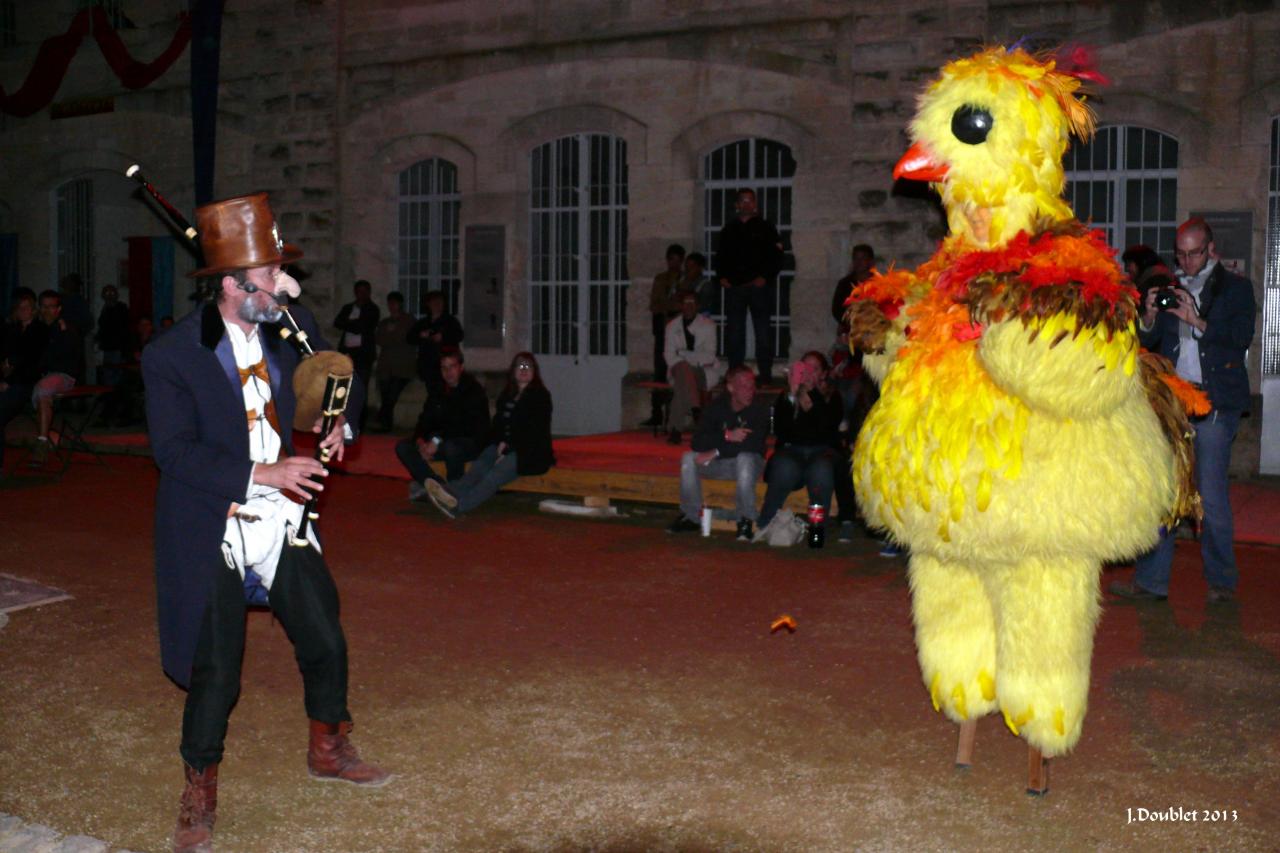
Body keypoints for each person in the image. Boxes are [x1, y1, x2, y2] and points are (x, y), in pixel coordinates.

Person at [141, 193, 388, 853]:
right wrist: (264, 472)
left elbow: (338, 377)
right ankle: (199, 790)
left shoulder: (289, 325)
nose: (283, 286)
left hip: (281, 517)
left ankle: (328, 748)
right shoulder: (172, 354)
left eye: (280, 272)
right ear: (231, 285)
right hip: (214, 518)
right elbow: (174, 452)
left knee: (325, 635)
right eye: (269, 276)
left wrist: (337, 422)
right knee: (217, 666)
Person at [1111, 218, 1257, 604]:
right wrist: (1148, 317)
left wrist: (1197, 321)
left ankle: (1222, 583)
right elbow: (1149, 341)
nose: (1187, 261)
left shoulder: (1235, 288)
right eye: (1181, 254)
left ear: (1211, 249)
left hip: (1216, 401)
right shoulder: (1169, 288)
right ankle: (1151, 581)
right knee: (1165, 492)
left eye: (1194, 254)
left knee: (1210, 494)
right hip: (1174, 401)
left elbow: (1240, 337)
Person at [424, 351, 554, 518]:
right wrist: (499, 443)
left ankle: (460, 506)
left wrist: (506, 450)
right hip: (505, 447)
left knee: (494, 475)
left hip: (529, 453)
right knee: (481, 464)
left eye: (528, 366)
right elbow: (498, 425)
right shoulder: (507, 395)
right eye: (519, 366)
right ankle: (450, 492)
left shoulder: (540, 397)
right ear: (513, 371)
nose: (523, 369)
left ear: (535, 371)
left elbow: (533, 432)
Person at [668, 365, 769, 541]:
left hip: (749, 464)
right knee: (688, 458)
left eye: (752, 386)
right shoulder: (717, 407)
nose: (749, 391)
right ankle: (691, 516)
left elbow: (752, 444)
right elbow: (697, 442)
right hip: (722, 464)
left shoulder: (759, 409)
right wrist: (727, 435)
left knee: (745, 458)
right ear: (731, 388)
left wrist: (717, 451)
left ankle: (745, 518)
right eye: (744, 386)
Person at [755, 352, 844, 545]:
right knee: (783, 467)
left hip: (822, 450)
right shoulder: (788, 395)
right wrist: (792, 394)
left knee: (821, 470)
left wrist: (812, 394)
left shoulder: (832, 396)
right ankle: (765, 523)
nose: (809, 373)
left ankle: (817, 530)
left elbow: (826, 428)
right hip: (792, 450)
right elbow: (782, 431)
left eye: (815, 369)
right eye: (805, 368)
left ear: (823, 373)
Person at [396, 345, 490, 497]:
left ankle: (455, 490)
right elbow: (425, 419)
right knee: (403, 447)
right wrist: (420, 441)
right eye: (444, 368)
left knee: (452, 447)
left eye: (452, 366)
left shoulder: (473, 390)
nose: (448, 372)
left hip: (469, 443)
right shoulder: (438, 390)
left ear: (461, 367)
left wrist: (436, 441)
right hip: (440, 442)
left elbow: (462, 426)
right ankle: (435, 485)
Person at [715, 189, 784, 384]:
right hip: (735, 288)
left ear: (755, 204)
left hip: (758, 288)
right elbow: (720, 255)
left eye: (750, 201)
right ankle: (735, 374)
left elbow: (777, 257)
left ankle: (765, 375)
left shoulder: (766, 227)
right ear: (737, 205)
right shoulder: (729, 229)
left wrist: (765, 277)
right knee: (735, 333)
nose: (746, 204)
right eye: (743, 201)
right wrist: (722, 276)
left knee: (763, 333)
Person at [29, 290, 84, 465]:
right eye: (44, 306)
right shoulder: (37, 328)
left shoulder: (65, 329)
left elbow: (66, 361)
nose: (47, 310)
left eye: (51, 307)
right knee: (40, 393)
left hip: (63, 376)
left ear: (58, 309)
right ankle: (46, 437)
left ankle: (42, 441)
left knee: (43, 389)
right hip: (43, 377)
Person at [663, 290, 722, 444]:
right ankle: (696, 408)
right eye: (685, 302)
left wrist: (684, 354)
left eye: (692, 303)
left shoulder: (709, 326)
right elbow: (669, 355)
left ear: (698, 306)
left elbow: (709, 356)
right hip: (677, 368)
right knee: (683, 369)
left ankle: (675, 430)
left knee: (682, 381)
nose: (688, 306)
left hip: (702, 371)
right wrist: (686, 359)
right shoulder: (671, 326)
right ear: (680, 305)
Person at [0, 292, 48, 472]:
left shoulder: (39, 330)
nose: (22, 311)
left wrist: (9, 378)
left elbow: (31, 360)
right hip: (9, 378)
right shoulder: (12, 330)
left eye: (26, 308)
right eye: (19, 308)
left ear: (33, 310)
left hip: (25, 382)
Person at [645, 244, 686, 427]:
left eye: (677, 260)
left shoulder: (685, 280)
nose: (674, 264)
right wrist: (669, 306)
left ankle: (674, 414)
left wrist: (674, 307)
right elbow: (654, 305)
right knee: (659, 371)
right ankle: (656, 412)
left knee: (677, 372)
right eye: (671, 260)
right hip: (663, 329)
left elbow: (686, 305)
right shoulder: (661, 279)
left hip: (679, 332)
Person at [332, 279, 380, 428]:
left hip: (363, 355)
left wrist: (349, 323)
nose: (362, 294)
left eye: (364, 292)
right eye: (359, 291)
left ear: (369, 293)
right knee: (343, 387)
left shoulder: (372, 309)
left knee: (361, 388)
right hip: (347, 353)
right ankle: (342, 419)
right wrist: (353, 323)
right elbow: (337, 322)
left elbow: (363, 327)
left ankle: (360, 422)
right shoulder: (348, 307)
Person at [372, 290, 417, 432]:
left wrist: (392, 334)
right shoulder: (385, 322)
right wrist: (391, 335)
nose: (392, 306)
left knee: (391, 396)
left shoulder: (409, 320)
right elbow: (379, 339)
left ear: (400, 304)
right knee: (386, 396)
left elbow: (405, 338)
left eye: (395, 303)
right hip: (386, 366)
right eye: (390, 303)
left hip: (403, 366)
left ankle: (381, 421)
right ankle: (385, 425)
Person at [408, 290, 464, 397]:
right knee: (433, 394)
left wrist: (443, 337)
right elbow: (410, 338)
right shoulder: (423, 322)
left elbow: (459, 335)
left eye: (440, 302)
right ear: (428, 304)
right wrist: (421, 335)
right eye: (434, 302)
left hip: (446, 365)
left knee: (447, 393)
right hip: (428, 365)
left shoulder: (450, 321)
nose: (437, 304)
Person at [830, 244, 876, 331]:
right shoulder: (844, 284)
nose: (859, 262)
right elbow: (837, 310)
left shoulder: (879, 283)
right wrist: (852, 322)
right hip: (850, 330)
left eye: (863, 258)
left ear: (871, 261)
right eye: (856, 258)